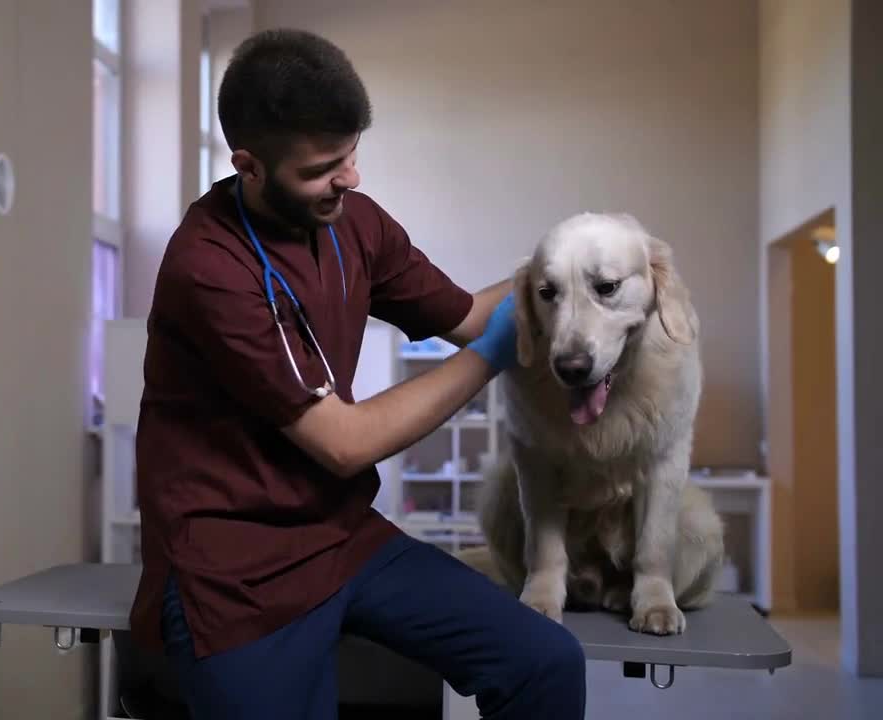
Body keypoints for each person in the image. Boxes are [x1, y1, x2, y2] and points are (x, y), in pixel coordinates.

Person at [126, 27, 586, 720]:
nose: (349, 179)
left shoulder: (355, 222)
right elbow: (345, 443)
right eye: (321, 169)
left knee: (545, 664)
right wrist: (493, 354)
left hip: (341, 536)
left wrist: (566, 273)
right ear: (248, 167)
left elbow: (465, 314)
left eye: (350, 156)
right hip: (234, 567)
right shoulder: (209, 266)